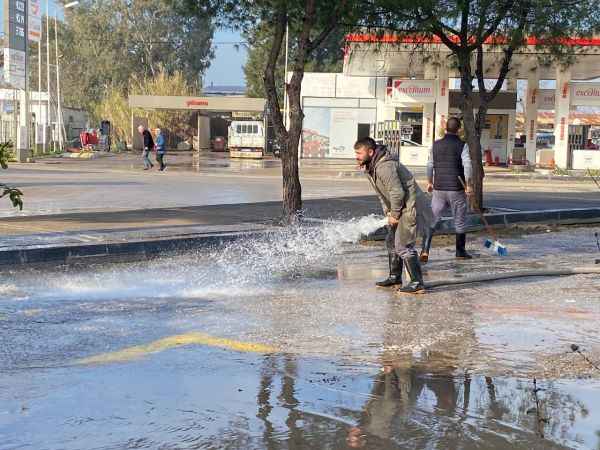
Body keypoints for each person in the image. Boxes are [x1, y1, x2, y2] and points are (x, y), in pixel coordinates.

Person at [354, 137, 425, 294]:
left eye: (359, 153)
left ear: (371, 152)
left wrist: (394, 214)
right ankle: (395, 277)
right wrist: (388, 213)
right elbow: (382, 193)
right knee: (391, 241)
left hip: (408, 206)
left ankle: (417, 283)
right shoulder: (371, 167)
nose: (356, 156)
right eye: (356, 153)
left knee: (403, 245)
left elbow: (397, 192)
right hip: (398, 207)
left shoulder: (384, 167)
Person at [421, 117, 473, 262]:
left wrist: (429, 182)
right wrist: (468, 185)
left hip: (439, 188)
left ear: (445, 129)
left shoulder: (435, 145)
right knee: (460, 220)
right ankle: (460, 252)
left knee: (432, 220)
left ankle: (425, 250)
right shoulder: (463, 145)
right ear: (459, 130)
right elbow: (467, 165)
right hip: (456, 188)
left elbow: (430, 165)